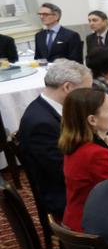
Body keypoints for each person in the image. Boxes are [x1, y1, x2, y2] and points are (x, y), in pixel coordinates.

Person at [16, 60, 92, 218]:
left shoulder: (53, 108)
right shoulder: (41, 124)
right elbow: (64, 171)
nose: (89, 95)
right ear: (67, 87)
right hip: (65, 195)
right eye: (86, 90)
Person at [59, 86, 108, 231]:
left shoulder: (76, 144)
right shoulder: (95, 155)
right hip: (94, 229)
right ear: (92, 120)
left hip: (77, 219)